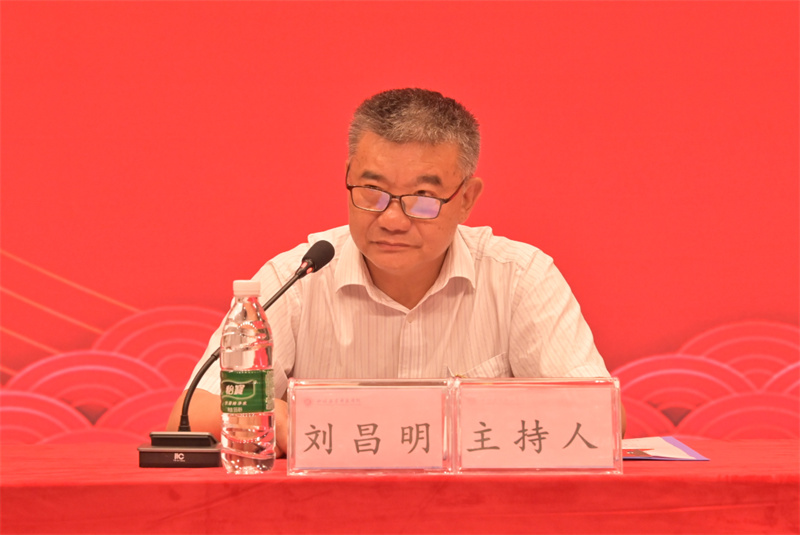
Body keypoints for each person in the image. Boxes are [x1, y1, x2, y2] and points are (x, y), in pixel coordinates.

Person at [167, 88, 625, 454]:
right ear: (348, 176)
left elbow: (602, 415)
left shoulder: (519, 277)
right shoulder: (297, 278)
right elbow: (192, 416)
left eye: (423, 198)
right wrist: (289, 421)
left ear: (466, 199)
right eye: (372, 190)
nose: (391, 219)